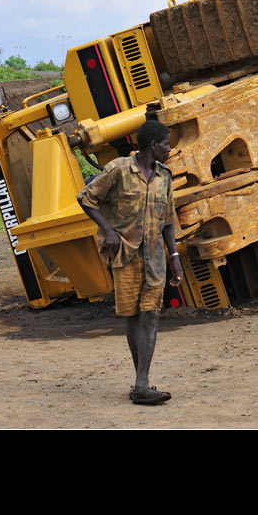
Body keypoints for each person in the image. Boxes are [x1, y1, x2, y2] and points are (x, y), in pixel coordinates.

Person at [77, 120, 184, 404]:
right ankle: (142, 383)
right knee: (133, 316)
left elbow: (168, 220)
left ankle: (142, 384)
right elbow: (86, 199)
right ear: (153, 145)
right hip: (125, 256)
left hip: (156, 259)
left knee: (151, 314)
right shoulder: (119, 170)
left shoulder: (165, 176)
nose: (169, 149)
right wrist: (108, 231)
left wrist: (175, 256)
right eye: (166, 144)